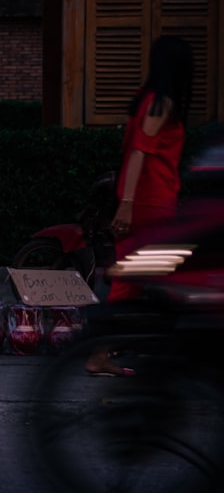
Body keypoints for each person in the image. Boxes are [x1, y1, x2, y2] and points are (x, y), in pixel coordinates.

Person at [85, 35, 194, 376]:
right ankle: (106, 351)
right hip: (150, 204)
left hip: (149, 201)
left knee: (140, 280)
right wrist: (128, 204)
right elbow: (138, 153)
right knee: (145, 280)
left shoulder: (149, 99)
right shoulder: (160, 103)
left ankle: (113, 350)